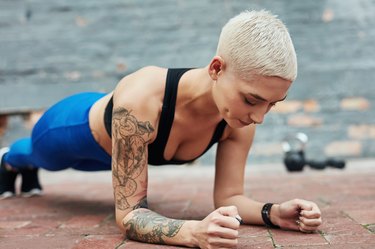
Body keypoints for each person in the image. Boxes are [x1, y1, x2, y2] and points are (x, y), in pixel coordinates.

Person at [0, 10, 322, 248]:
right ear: (216, 68)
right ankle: (9, 162)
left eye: (272, 104)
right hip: (70, 129)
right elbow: (128, 216)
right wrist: (192, 233)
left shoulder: (237, 121)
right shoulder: (143, 97)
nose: (260, 117)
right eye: (252, 99)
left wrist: (274, 213)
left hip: (113, 155)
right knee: (36, 156)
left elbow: (229, 196)